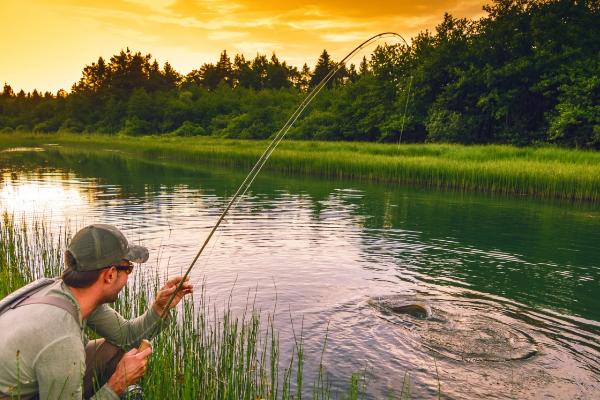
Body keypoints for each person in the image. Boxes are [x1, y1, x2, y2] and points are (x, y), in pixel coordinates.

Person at [0, 224, 193, 399]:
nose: (128, 276)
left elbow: (125, 337)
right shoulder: (63, 340)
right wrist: (117, 385)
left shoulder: (61, 291)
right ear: (109, 274)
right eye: (128, 269)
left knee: (111, 350)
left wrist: (159, 309)